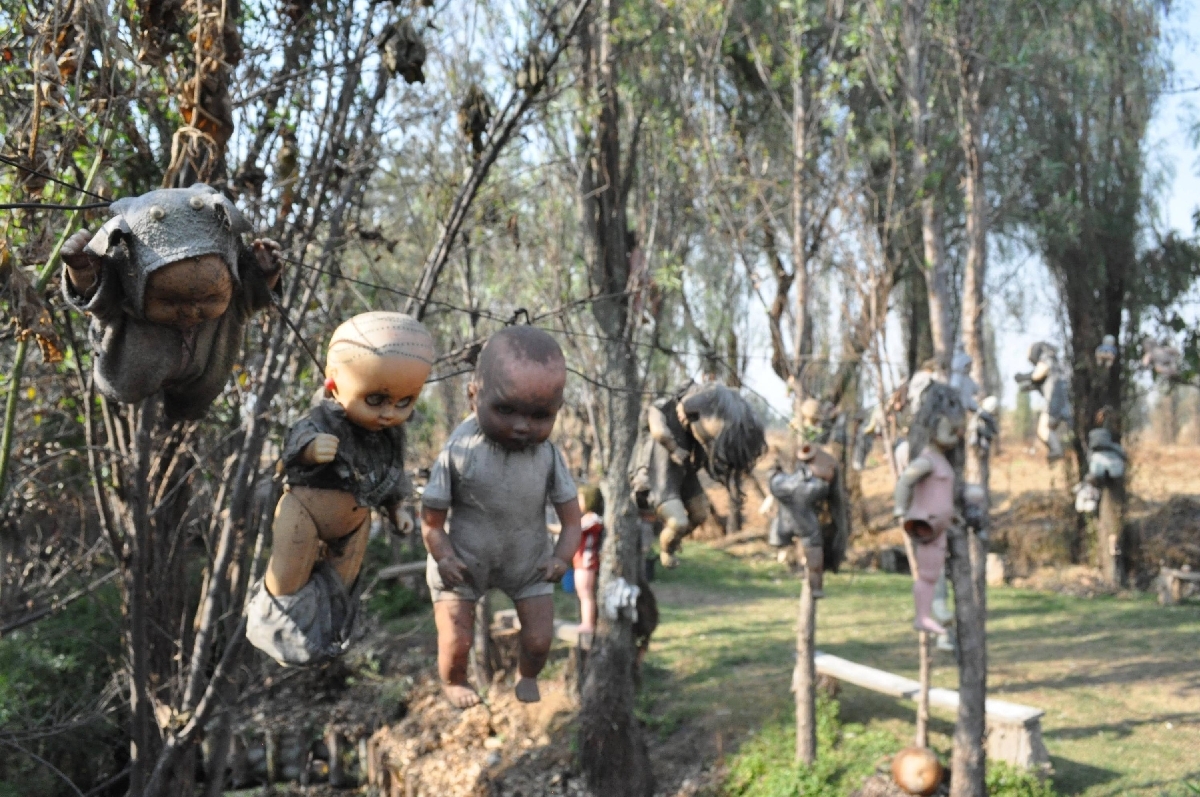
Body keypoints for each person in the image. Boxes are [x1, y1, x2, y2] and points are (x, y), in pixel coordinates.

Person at [245, 311, 434, 665]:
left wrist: (397, 508)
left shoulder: (391, 434)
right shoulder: (321, 418)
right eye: (375, 399)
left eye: (405, 402)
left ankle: (321, 643)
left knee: (339, 589)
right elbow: (292, 443)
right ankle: (282, 640)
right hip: (305, 513)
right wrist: (310, 449)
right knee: (287, 586)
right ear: (333, 383)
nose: (389, 413)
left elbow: (393, 471)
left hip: (355, 521)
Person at [420, 326, 582, 708]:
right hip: (462, 562)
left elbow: (572, 519)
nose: (522, 426)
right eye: (505, 409)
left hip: (527, 563)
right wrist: (443, 556)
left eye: (539, 415)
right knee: (456, 639)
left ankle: (528, 675)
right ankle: (454, 681)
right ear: (474, 397)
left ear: (557, 411)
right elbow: (431, 522)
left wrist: (562, 557)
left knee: (540, 639)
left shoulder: (548, 456)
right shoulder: (460, 449)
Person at [60, 184, 282, 420]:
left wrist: (266, 273)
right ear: (135, 285)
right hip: (129, 373)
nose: (189, 311)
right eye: (169, 300)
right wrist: (83, 270)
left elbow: (254, 295)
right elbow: (97, 297)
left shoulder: (232, 302)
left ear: (231, 281)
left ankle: (184, 415)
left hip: (204, 377)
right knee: (122, 389)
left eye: (209, 298)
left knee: (194, 405)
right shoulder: (124, 296)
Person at [630, 382, 766, 568]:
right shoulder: (664, 408)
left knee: (700, 512)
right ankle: (666, 547)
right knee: (678, 521)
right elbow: (659, 431)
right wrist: (673, 448)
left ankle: (673, 540)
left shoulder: (693, 430)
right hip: (659, 475)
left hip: (684, 475)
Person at [894, 384, 965, 635]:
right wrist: (900, 509)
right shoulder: (926, 460)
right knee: (927, 574)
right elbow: (905, 480)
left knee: (934, 572)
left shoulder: (940, 460)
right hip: (926, 525)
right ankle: (922, 616)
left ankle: (931, 611)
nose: (955, 435)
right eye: (950, 429)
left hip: (939, 526)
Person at [574, 484, 604, 648]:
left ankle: (588, 623)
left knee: (586, 593)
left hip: (586, 562)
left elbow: (574, 530)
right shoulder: (585, 518)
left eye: (580, 499)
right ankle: (586, 621)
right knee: (582, 593)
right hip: (579, 562)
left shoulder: (592, 519)